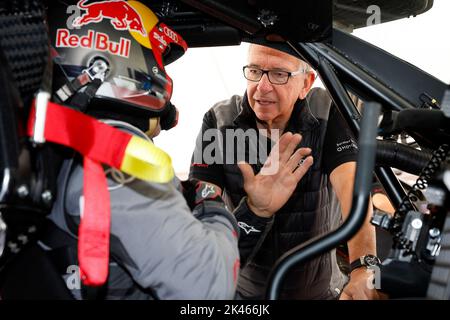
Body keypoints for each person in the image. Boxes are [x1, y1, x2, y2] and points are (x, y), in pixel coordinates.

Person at [35, 0, 240, 300]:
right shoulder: (114, 154)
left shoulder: (56, 141)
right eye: (156, 60)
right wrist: (214, 209)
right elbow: (208, 286)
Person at [190, 43, 379, 300]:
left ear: (306, 83)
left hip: (319, 292)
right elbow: (198, 216)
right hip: (244, 295)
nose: (262, 87)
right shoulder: (218, 120)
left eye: (280, 74)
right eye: (255, 71)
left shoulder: (327, 109)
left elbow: (353, 188)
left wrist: (365, 269)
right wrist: (254, 209)